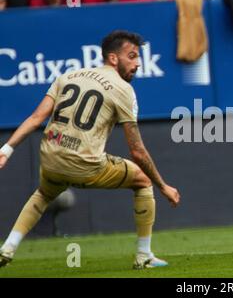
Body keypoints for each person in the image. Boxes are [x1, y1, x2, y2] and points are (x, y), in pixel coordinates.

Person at [0, 30, 180, 269]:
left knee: (44, 193)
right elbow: (137, 151)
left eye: (139, 57)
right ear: (113, 58)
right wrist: (163, 186)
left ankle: (7, 248)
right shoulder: (123, 89)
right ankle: (144, 256)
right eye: (132, 56)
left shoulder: (68, 76)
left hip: (50, 159)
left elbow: (35, 118)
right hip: (84, 165)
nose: (137, 63)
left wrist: (7, 149)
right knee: (143, 179)